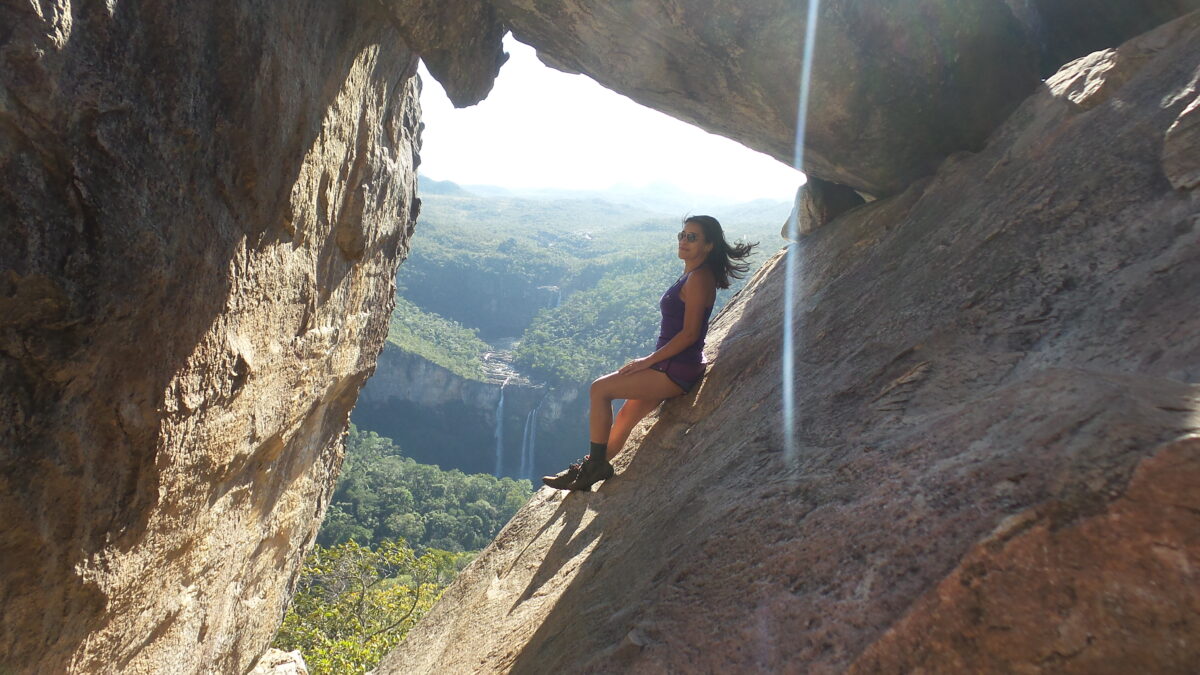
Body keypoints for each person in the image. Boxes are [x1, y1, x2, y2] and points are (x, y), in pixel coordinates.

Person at [542, 215, 757, 491]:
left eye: (693, 237)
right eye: (682, 234)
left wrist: (648, 361)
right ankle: (590, 467)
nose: (684, 241)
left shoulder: (700, 278)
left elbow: (690, 334)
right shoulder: (693, 274)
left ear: (709, 246)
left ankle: (597, 466)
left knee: (599, 389)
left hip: (675, 368)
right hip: (670, 364)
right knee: (626, 416)